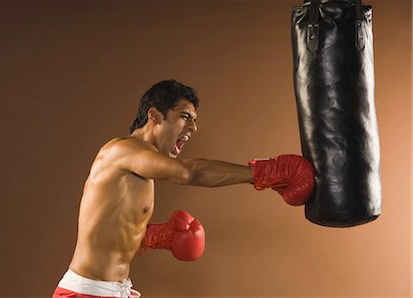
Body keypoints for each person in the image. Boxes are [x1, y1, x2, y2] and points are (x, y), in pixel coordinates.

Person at [53, 79, 314, 298]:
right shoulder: (123, 150)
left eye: (195, 120)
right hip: (86, 293)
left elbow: (108, 226)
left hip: (111, 291)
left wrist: (153, 236)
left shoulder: (139, 163)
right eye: (185, 117)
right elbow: (189, 173)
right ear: (154, 115)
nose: (193, 127)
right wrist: (267, 173)